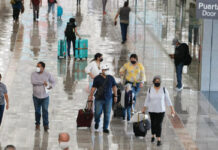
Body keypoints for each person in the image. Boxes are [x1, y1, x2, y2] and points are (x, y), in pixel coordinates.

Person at [141, 75, 175, 146]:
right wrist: (143, 109)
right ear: (153, 82)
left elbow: (168, 100)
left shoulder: (164, 90)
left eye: (158, 81)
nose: (157, 82)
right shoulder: (150, 89)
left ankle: (158, 139)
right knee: (153, 124)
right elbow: (147, 100)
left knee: (159, 124)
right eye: (156, 81)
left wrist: (172, 109)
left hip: (161, 110)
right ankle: (153, 135)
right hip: (152, 110)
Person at [88, 64, 117, 133]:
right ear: (102, 70)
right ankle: (97, 121)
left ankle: (105, 128)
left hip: (109, 99)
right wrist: (91, 96)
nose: (106, 71)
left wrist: (115, 96)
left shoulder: (111, 78)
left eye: (107, 69)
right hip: (99, 99)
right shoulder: (97, 78)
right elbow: (93, 88)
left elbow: (114, 87)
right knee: (97, 113)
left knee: (107, 114)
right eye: (105, 70)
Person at [31, 61, 55, 132]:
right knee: (37, 111)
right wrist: (43, 83)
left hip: (45, 97)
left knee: (45, 111)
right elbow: (33, 82)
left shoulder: (47, 74)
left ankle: (46, 125)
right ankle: (37, 123)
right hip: (36, 97)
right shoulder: (33, 74)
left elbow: (53, 81)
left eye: (39, 66)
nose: (37, 68)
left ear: (43, 68)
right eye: (37, 66)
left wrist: (50, 86)